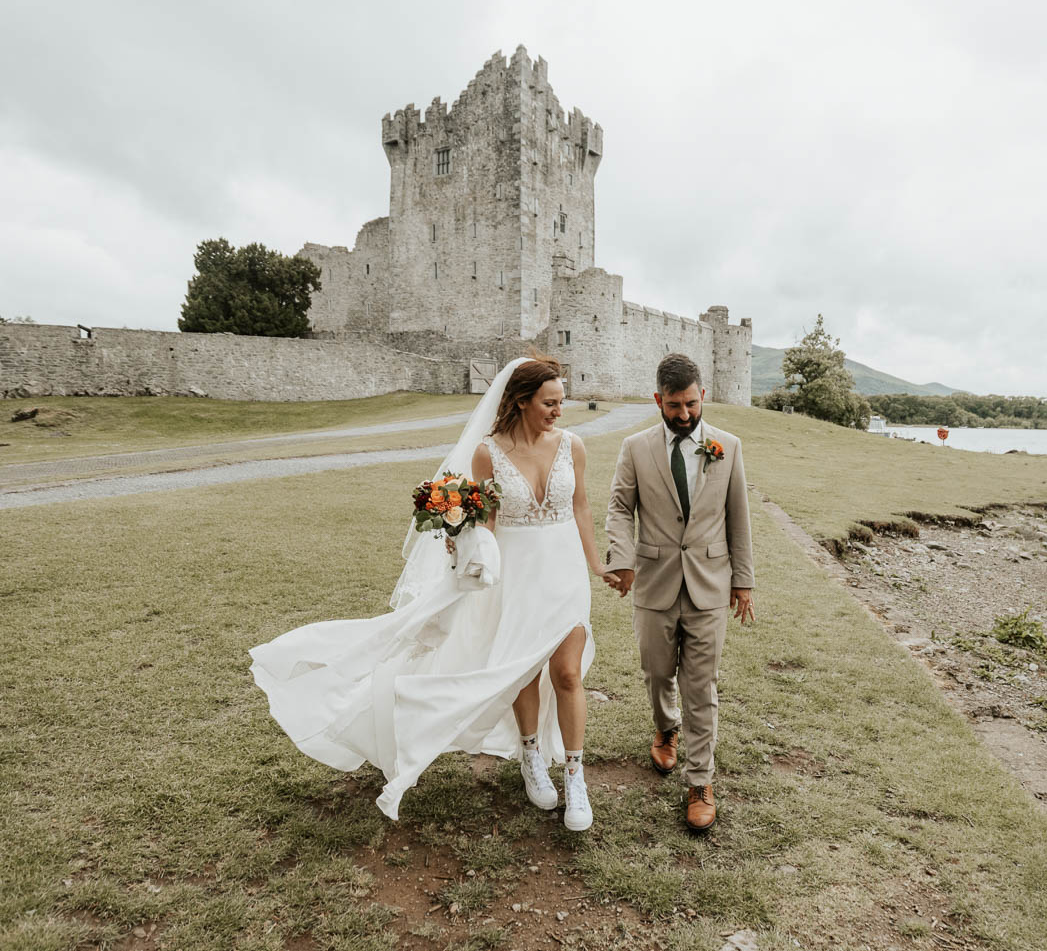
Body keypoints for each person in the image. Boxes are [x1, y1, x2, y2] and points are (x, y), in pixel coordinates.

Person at [249, 354, 611, 828]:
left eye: (561, 401)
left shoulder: (572, 445)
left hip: (564, 572)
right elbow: (487, 522)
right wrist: (462, 543)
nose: (558, 411)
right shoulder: (488, 453)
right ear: (522, 401)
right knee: (523, 670)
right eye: (549, 403)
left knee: (567, 673)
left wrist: (596, 564)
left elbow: (581, 506)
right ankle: (530, 756)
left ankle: (575, 777)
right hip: (517, 575)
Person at [604, 353, 755, 832]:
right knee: (656, 671)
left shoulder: (728, 447)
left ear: (702, 395)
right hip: (654, 580)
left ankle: (700, 781)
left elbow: (738, 517)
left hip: (710, 584)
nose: (685, 414)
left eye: (691, 403)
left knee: (701, 684)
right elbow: (619, 508)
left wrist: (743, 580)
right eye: (674, 405)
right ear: (658, 400)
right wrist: (621, 559)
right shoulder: (635, 448)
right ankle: (665, 728)